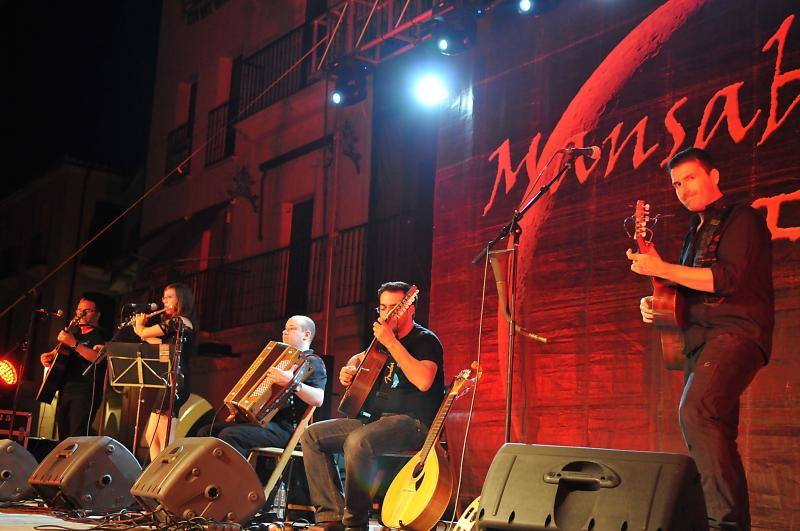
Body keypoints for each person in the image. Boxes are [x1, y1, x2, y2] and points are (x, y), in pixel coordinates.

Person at [627, 147, 773, 530]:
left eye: (690, 178)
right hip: (704, 340)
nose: (683, 189)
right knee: (716, 429)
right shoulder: (694, 233)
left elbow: (726, 280)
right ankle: (730, 523)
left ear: (714, 176)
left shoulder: (743, 218)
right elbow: (685, 291)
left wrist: (663, 268)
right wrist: (656, 300)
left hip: (736, 332)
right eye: (676, 183)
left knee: (696, 412)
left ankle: (723, 524)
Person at [301, 281, 446, 531]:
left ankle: (355, 524)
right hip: (375, 420)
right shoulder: (379, 343)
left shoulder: (425, 340)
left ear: (410, 309)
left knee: (358, 441)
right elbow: (361, 360)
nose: (387, 313)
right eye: (383, 307)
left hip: (413, 423)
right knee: (312, 435)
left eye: (394, 308)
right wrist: (350, 370)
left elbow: (424, 381)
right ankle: (331, 517)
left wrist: (391, 342)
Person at [207, 315, 327, 461]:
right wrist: (242, 412)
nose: (285, 332)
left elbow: (319, 399)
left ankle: (237, 483)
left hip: (286, 429)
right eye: (284, 329)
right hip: (263, 424)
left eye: (292, 328)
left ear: (306, 334)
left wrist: (293, 383)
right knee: (207, 431)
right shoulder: (279, 360)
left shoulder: (313, 362)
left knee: (230, 435)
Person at [132, 283, 197, 461]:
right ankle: (157, 474)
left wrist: (140, 327)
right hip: (170, 379)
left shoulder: (179, 321)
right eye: (164, 297)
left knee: (166, 438)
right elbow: (162, 347)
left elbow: (144, 332)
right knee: (152, 436)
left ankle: (167, 476)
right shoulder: (176, 327)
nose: (164, 301)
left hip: (176, 380)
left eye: (169, 297)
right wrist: (141, 332)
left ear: (181, 300)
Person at [39, 293, 110, 439]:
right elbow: (52, 355)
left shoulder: (101, 336)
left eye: (86, 311)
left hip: (85, 393)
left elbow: (97, 358)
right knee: (63, 438)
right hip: (65, 390)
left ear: (97, 315)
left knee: (77, 436)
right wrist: (46, 358)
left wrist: (74, 344)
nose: (80, 314)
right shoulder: (74, 334)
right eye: (79, 310)